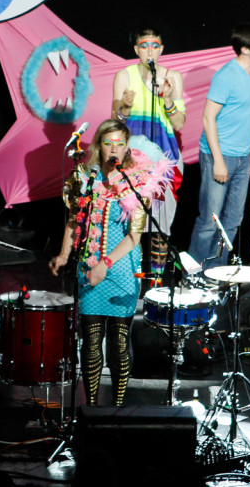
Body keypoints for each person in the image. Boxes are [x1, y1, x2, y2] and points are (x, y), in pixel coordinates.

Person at [50, 119, 173, 406]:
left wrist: (106, 263)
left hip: (122, 269)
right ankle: (91, 408)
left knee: (118, 341)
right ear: (98, 146)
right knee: (91, 339)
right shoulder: (85, 177)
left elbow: (134, 236)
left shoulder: (137, 180)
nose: (114, 149)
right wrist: (65, 254)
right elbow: (74, 219)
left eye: (120, 143)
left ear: (127, 146)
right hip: (88, 265)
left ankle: (117, 407)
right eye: (109, 143)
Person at [188, 24, 250, 267]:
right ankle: (194, 273)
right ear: (245, 49)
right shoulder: (225, 76)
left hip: (243, 157)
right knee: (209, 220)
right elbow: (208, 118)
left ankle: (215, 272)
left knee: (233, 219)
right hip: (218, 155)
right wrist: (219, 160)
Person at [112, 26, 185, 278]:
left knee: (160, 224)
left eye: (154, 45)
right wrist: (125, 106)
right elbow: (116, 120)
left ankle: (156, 282)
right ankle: (131, 281)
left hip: (165, 157)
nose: (150, 50)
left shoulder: (172, 77)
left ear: (162, 49)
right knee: (133, 219)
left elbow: (179, 124)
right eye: (144, 45)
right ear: (136, 50)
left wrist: (167, 99)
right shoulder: (124, 75)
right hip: (134, 158)